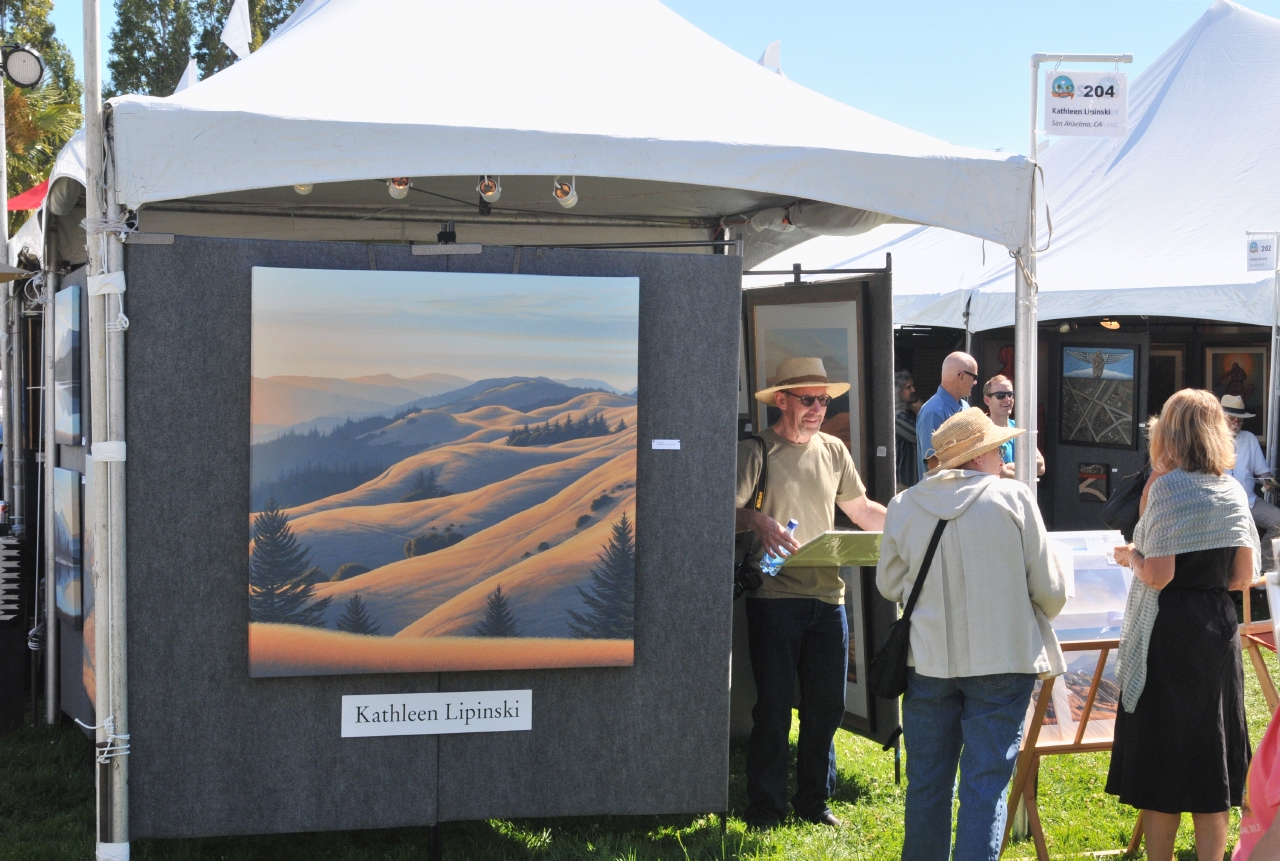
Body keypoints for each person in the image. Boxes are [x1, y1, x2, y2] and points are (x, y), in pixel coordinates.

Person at [878, 407, 1066, 860]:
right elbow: (1052, 590)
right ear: (980, 455)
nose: (1003, 453)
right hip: (1003, 659)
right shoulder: (1014, 499)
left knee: (927, 783)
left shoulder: (905, 505)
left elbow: (888, 584)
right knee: (985, 785)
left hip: (928, 662)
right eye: (998, 447)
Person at [736, 356, 887, 829]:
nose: (818, 408)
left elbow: (861, 510)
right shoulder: (756, 449)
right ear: (781, 400)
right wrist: (758, 520)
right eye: (808, 400)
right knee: (775, 708)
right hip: (774, 599)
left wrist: (913, 524)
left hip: (829, 598)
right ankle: (765, 808)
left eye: (824, 400)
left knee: (826, 708)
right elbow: (723, 511)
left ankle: (814, 803)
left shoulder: (834, 451)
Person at [1109, 389, 1259, 861]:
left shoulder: (1170, 488)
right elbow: (1242, 577)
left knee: (1165, 756)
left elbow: (1158, 574)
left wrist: (1130, 555)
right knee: (1211, 754)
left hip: (1169, 631)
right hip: (1217, 631)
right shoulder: (1231, 489)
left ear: (1168, 433)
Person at [1222, 394, 1280, 570]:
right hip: (1220, 505)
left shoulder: (1249, 438)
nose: (1236, 424)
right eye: (1231, 419)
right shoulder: (1209, 440)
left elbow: (1262, 472)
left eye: (1239, 420)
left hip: (1249, 502)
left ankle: (1264, 570)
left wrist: (1268, 482)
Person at [916, 352, 979, 480]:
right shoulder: (933, 411)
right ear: (961, 376)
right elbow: (933, 465)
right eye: (974, 376)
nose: (975, 382)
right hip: (941, 496)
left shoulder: (965, 406)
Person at [982, 374, 1045, 479]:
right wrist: (1026, 469)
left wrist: (1012, 466)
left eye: (1010, 394)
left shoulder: (1020, 427)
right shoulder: (983, 431)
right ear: (987, 400)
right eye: (1000, 395)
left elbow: (1041, 466)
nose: (1007, 399)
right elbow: (1001, 474)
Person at [895, 370, 918, 491]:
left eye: (912, 386)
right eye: (908, 387)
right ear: (898, 392)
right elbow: (919, 436)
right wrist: (920, 411)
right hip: (905, 484)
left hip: (913, 483)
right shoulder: (897, 417)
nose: (913, 390)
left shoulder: (908, 412)